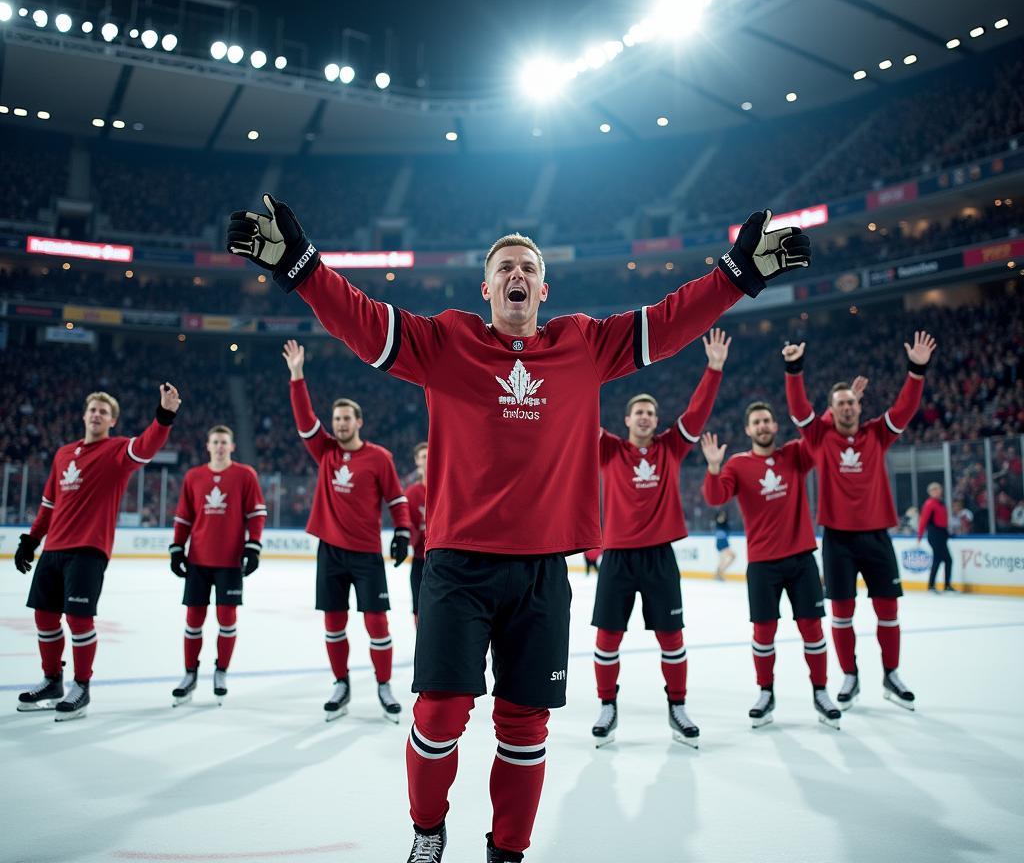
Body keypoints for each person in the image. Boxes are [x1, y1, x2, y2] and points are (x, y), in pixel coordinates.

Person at [228, 195, 809, 863]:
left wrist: (736, 275)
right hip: (454, 568)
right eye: (505, 266)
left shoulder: (583, 344)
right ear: (486, 288)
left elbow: (669, 321)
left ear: (542, 287)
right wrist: (302, 268)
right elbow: (362, 322)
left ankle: (507, 851)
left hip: (541, 572)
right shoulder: (448, 342)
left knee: (525, 726)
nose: (517, 275)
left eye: (527, 268)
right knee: (439, 716)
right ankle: (426, 828)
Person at [589, 327, 730, 750]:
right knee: (606, 639)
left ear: (656, 419)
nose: (646, 417)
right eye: (639, 412)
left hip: (659, 557)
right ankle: (607, 705)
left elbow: (697, 414)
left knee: (671, 637)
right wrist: (581, 376)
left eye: (652, 412)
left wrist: (715, 369)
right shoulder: (609, 450)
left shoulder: (671, 448)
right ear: (628, 420)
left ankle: (678, 706)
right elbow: (578, 414)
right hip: (616, 557)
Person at [783, 331, 936, 712]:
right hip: (837, 540)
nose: (848, 408)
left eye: (852, 402)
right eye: (841, 404)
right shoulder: (819, 438)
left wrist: (916, 370)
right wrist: (794, 370)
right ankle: (850, 676)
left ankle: (891, 674)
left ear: (859, 405)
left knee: (888, 611)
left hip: (877, 538)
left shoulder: (876, 434)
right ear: (832, 411)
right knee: (842, 613)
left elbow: (904, 408)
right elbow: (799, 408)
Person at [14, 384, 181, 721]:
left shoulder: (117, 451)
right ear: (84, 415)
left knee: (78, 619)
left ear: (112, 421)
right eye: (93, 409)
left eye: (104, 412)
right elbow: (49, 504)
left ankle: (82, 686)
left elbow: (148, 444)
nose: (97, 415)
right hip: (54, 548)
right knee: (44, 617)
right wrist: (31, 541)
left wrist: (164, 415)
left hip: (89, 549)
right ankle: (51, 681)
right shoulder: (63, 454)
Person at [282, 339, 411, 723]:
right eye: (335, 418)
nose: (338, 424)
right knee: (334, 624)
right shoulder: (324, 451)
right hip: (331, 553)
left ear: (359, 422)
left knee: (377, 625)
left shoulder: (379, 457)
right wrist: (297, 376)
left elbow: (397, 499)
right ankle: (341, 684)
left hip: (367, 554)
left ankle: (384, 686)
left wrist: (402, 533)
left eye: (345, 418)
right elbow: (305, 419)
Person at [701, 403, 841, 730]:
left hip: (802, 558)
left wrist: (834, 409)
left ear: (776, 426)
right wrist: (712, 468)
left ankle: (821, 692)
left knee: (813, 630)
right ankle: (766, 693)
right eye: (756, 422)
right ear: (748, 430)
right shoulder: (737, 465)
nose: (762, 426)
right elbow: (715, 497)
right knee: (764, 634)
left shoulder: (794, 454)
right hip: (762, 563)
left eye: (767, 420)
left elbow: (816, 435)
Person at [168, 425, 267, 704]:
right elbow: (183, 517)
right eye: (216, 442)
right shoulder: (194, 476)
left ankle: (221, 671)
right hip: (198, 560)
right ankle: (189, 673)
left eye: (224, 442)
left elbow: (257, 513)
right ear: (208, 446)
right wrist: (177, 548)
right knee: (193, 621)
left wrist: (253, 545)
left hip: (230, 562)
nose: (220, 446)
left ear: (232, 447)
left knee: (226, 619)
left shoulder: (245, 475)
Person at [405, 442, 428, 625]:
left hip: (446, 560)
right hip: (420, 561)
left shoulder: (448, 488)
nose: (427, 461)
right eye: (423, 457)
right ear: (416, 461)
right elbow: (410, 533)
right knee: (419, 610)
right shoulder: (412, 493)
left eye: (430, 455)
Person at [917, 482, 954, 593]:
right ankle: (938, 585)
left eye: (938, 489)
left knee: (941, 560)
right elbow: (923, 520)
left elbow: (944, 519)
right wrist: (919, 535)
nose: (937, 491)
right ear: (930, 492)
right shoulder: (930, 504)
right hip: (935, 534)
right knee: (946, 559)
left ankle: (935, 585)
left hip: (942, 534)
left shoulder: (940, 503)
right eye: (934, 490)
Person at [713, 510, 735, 581]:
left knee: (723, 559)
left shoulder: (724, 523)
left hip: (724, 541)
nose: (722, 517)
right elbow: (719, 521)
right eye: (721, 515)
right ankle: (719, 573)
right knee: (730, 557)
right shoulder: (719, 522)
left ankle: (719, 573)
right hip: (721, 542)